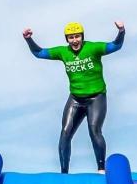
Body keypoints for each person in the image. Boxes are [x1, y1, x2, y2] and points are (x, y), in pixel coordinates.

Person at [22, 20, 125, 173]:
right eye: (71, 38)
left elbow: (115, 46)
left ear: (82, 37)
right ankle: (64, 172)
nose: (75, 40)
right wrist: (29, 39)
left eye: (77, 37)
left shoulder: (93, 48)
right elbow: (39, 53)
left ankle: (101, 169)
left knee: (94, 130)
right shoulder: (63, 52)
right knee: (65, 133)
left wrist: (121, 31)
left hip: (96, 98)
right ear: (67, 40)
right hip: (76, 99)